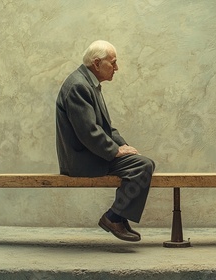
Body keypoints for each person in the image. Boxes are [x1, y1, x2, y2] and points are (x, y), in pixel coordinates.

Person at [55, 40, 155, 242]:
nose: (116, 68)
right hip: (83, 160)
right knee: (143, 166)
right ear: (97, 63)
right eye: (113, 63)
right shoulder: (78, 86)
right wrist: (116, 151)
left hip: (91, 154)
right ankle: (113, 217)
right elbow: (88, 131)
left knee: (141, 162)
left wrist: (123, 145)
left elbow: (106, 128)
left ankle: (118, 216)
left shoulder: (88, 83)